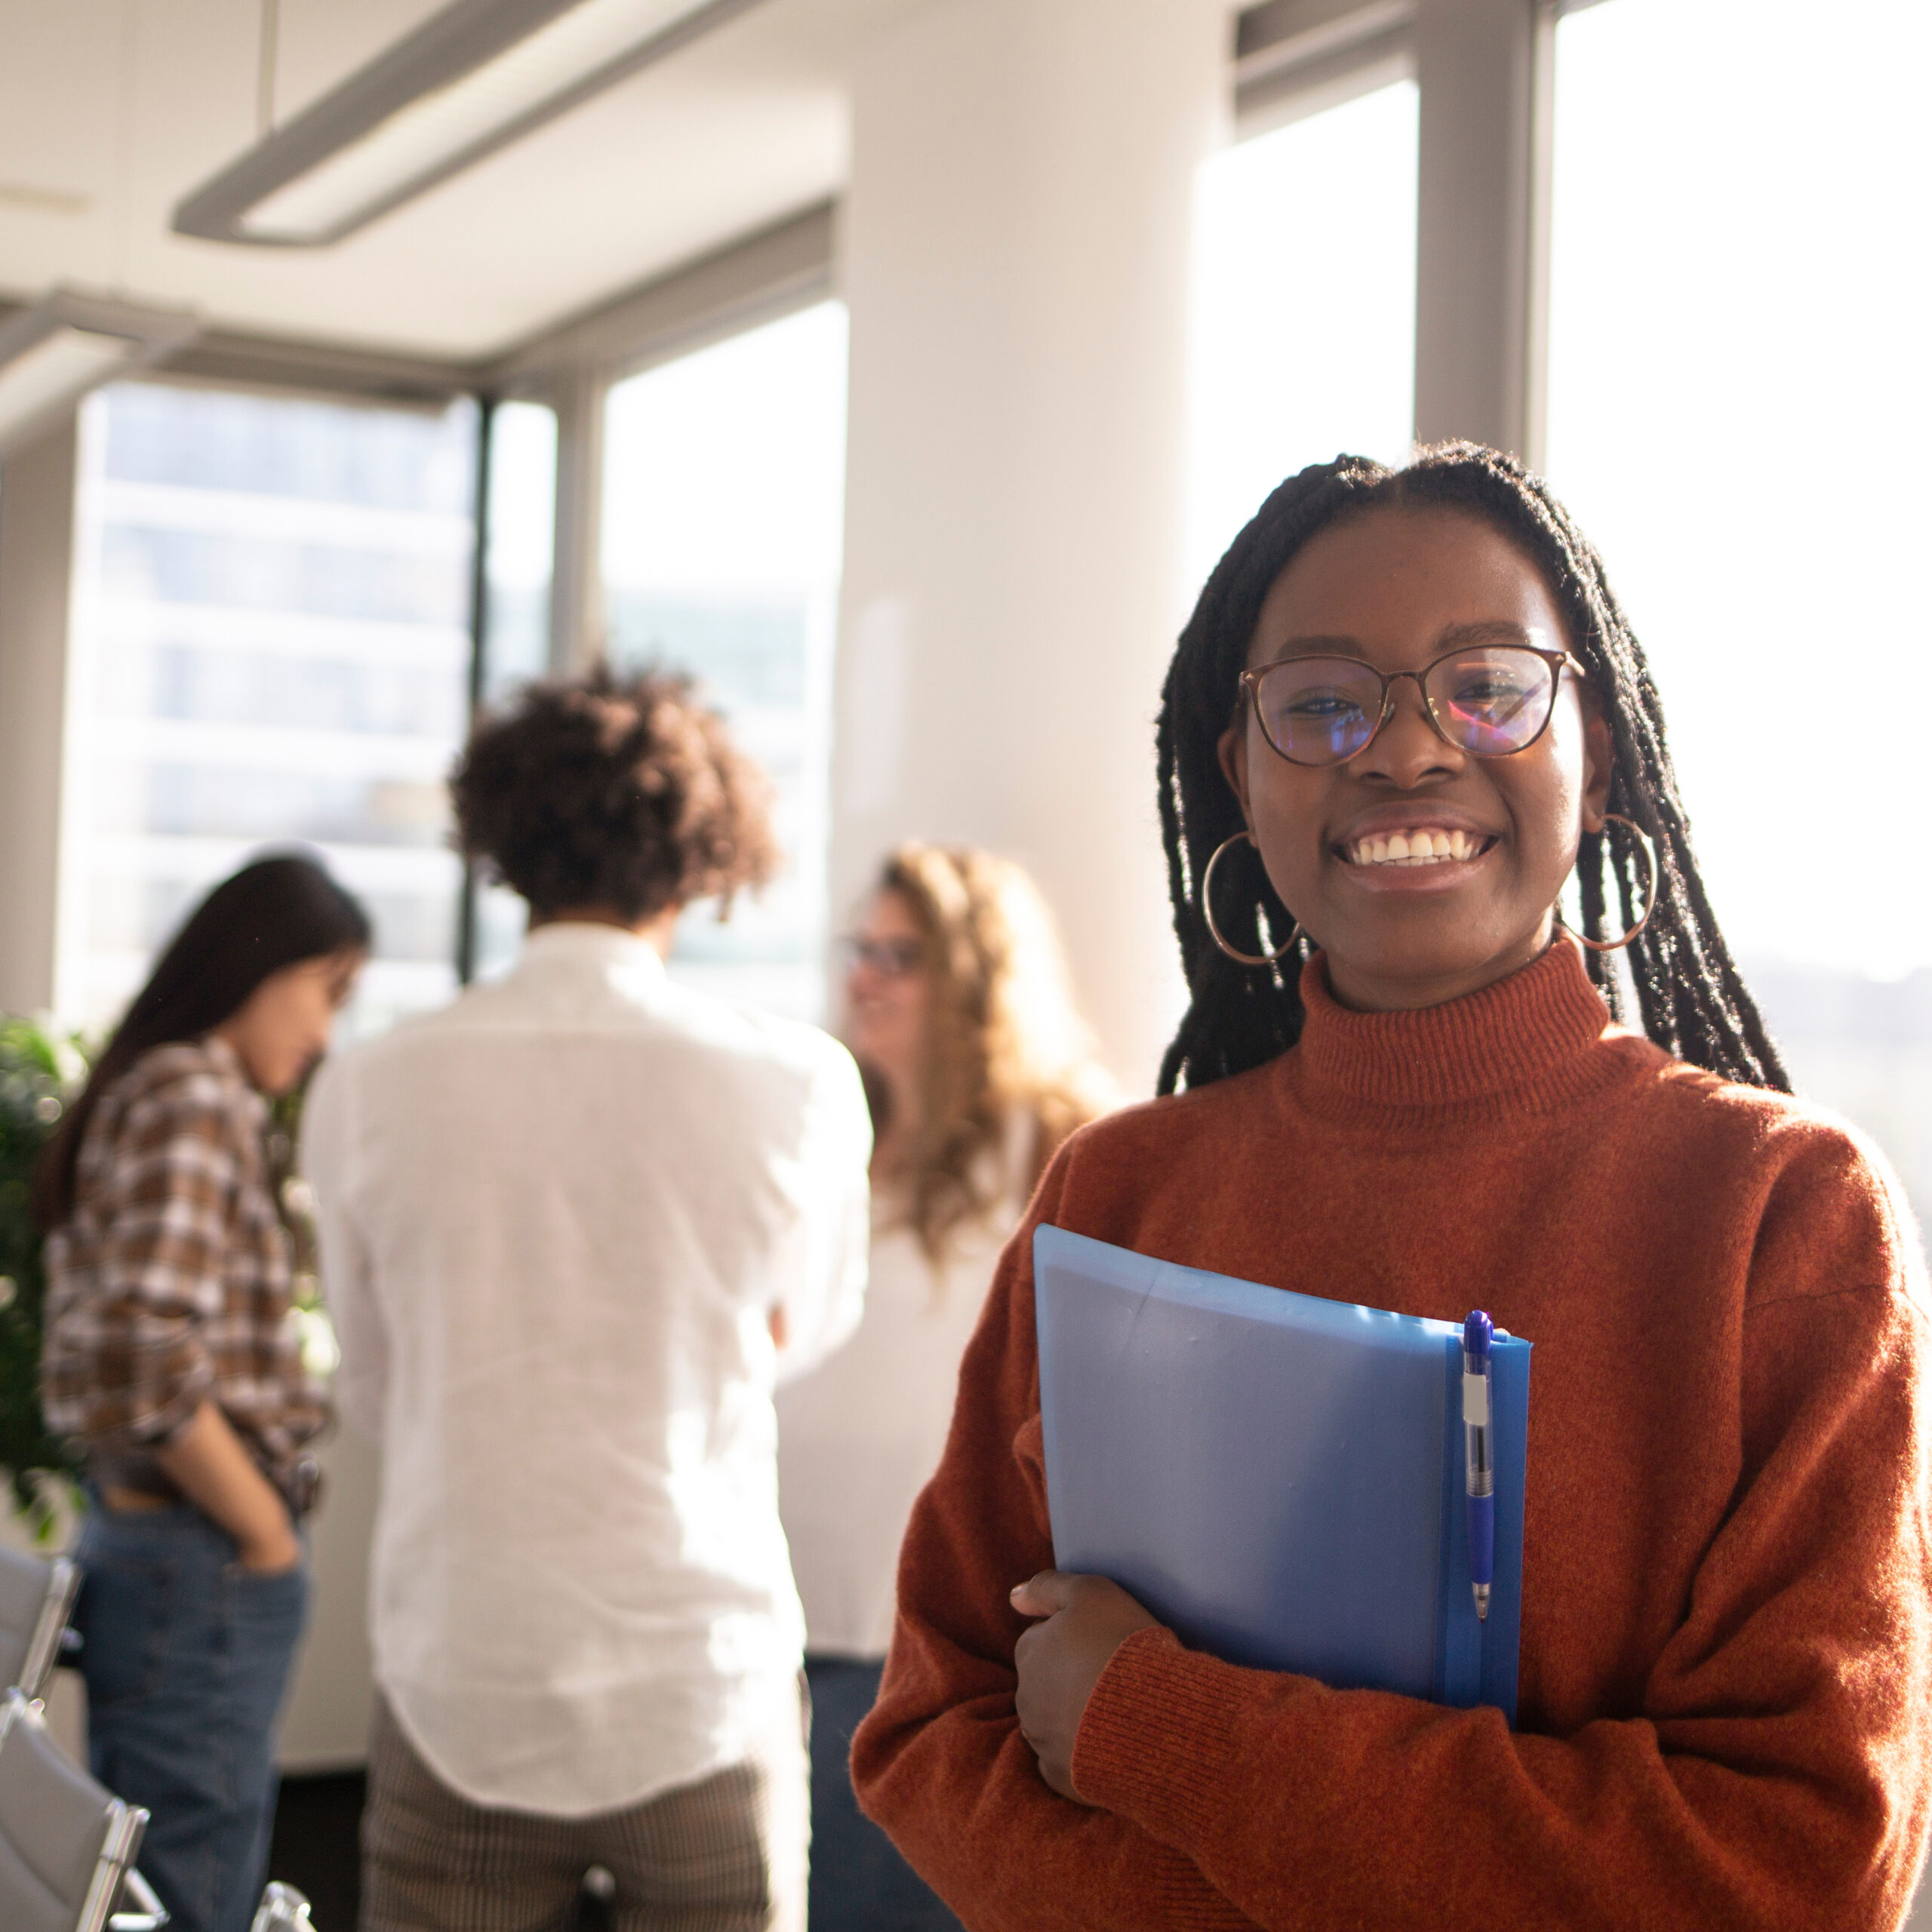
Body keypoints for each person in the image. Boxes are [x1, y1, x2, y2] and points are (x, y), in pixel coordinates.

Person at [851, 445, 1932, 1928]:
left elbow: (1795, 1862)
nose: (1406, 747)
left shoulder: (1779, 1213)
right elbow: (930, 1728)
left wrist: (1159, 1729)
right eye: (1319, 702)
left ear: (1593, 747)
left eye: (1485, 684)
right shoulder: (1116, 1192)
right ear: (1238, 772)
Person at [301, 665, 872, 1932]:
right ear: (702, 854)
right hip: (699, 1673)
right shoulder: (796, 1083)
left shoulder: (370, 1088)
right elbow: (804, 1327)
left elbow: (379, 1379)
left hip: (464, 1659)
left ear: (500, 845)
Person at [777, 844, 1115, 1931]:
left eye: (900, 955)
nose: (864, 977)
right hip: (793, 1613)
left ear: (974, 975)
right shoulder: (830, 1134)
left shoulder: (1060, 1141)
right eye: (858, 950)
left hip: (934, 1643)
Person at [35, 853, 368, 1932]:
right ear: (259, 959)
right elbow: (140, 1346)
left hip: (154, 1541)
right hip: (204, 1554)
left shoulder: (152, 1080)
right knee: (196, 1884)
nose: (326, 1033)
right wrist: (263, 1529)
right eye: (329, 989)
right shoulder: (196, 1090)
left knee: (142, 1869)